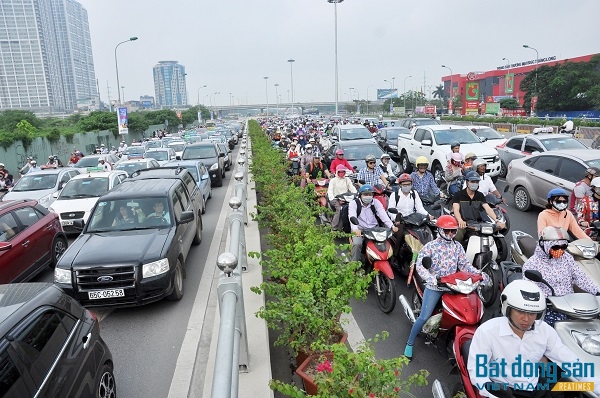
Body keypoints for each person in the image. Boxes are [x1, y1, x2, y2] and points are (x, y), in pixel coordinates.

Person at [468, 279, 600, 398]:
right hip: (504, 391)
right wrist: (493, 392)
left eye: (532, 313)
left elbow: (571, 362)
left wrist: (598, 387)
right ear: (508, 309)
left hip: (537, 388)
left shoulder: (545, 331)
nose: (527, 319)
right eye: (520, 312)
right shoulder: (487, 332)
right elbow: (478, 374)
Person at [403, 215, 488, 360]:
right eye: (447, 231)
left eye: (453, 231)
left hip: (454, 285)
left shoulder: (457, 247)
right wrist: (431, 278)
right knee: (424, 317)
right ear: (440, 230)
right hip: (436, 286)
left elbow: (464, 265)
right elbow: (421, 267)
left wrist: (479, 274)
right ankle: (409, 344)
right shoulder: (430, 247)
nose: (450, 234)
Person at [523, 226, 600, 326]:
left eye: (563, 247)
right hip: (549, 307)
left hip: (570, 305)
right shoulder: (531, 264)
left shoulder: (567, 258)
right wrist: (544, 300)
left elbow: (581, 277)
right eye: (555, 247)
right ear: (543, 245)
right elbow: (530, 290)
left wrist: (597, 291)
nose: (560, 250)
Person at [349, 184, 398, 262]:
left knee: (386, 244)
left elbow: (383, 215)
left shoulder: (376, 202)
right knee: (357, 244)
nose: (368, 196)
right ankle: (353, 266)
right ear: (360, 195)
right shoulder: (354, 203)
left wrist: (392, 226)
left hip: (374, 229)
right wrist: (355, 229)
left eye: (370, 194)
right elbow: (352, 216)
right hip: (360, 229)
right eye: (365, 194)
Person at [452, 171, 505, 242]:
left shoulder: (480, 196)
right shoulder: (458, 195)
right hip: (462, 224)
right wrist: (460, 220)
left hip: (475, 224)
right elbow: (456, 210)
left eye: (477, 182)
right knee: (458, 237)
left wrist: (497, 221)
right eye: (473, 181)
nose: (475, 184)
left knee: (484, 238)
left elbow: (488, 209)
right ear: (467, 182)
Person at [388, 174, 434, 255]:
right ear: (400, 185)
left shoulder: (414, 193)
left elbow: (419, 208)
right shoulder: (394, 195)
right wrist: (396, 218)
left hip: (413, 220)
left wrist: (428, 215)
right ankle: (395, 257)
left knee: (428, 231)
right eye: (404, 185)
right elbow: (390, 210)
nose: (407, 186)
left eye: (409, 184)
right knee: (400, 234)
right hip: (401, 221)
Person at [327, 165, 357, 230]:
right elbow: (330, 191)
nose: (341, 173)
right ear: (337, 172)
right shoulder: (333, 180)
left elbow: (352, 188)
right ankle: (334, 228)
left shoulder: (347, 179)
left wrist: (355, 194)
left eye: (343, 172)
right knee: (340, 209)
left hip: (346, 198)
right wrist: (332, 198)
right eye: (340, 172)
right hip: (335, 199)